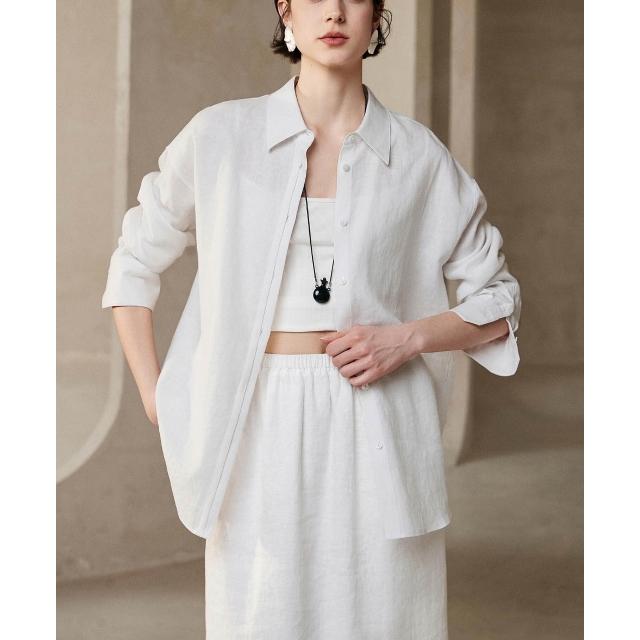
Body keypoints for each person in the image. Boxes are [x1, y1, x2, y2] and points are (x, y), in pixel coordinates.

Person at [102, 1, 522, 637]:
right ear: (286, 12)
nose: (335, 11)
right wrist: (155, 393)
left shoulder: (417, 156)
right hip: (257, 418)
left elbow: (498, 302)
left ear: (376, 16)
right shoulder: (221, 137)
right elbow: (134, 261)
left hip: (381, 417)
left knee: (385, 616)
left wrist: (407, 338)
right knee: (262, 617)